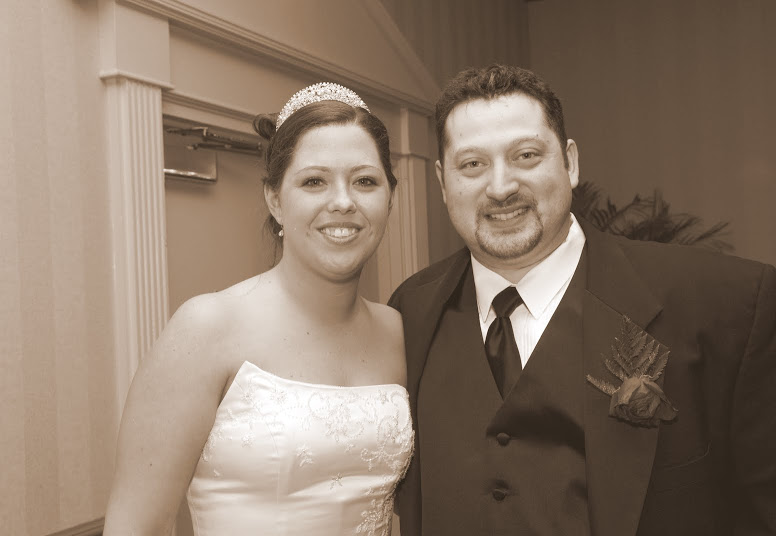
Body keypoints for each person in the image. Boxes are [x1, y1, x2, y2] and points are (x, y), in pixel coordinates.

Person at [389, 64, 776, 535]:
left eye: (526, 155)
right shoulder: (409, 312)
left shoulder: (726, 304)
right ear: (442, 181)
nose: (501, 187)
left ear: (570, 163)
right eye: (472, 164)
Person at [104, 82, 413, 536]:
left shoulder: (400, 331)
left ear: (390, 197)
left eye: (365, 181)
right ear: (275, 199)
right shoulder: (207, 328)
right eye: (314, 181)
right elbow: (138, 524)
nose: (343, 202)